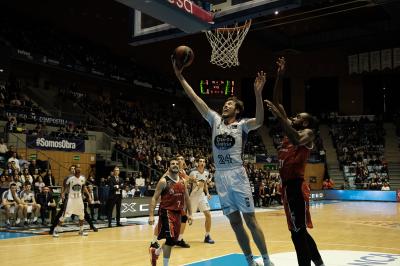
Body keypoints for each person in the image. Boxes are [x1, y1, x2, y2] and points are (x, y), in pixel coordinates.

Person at [173, 58, 273, 266]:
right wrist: (180, 76)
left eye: (230, 104)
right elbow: (196, 99)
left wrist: (257, 93)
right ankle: (249, 261)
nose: (226, 105)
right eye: (225, 103)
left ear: (237, 110)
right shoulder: (215, 120)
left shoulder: (243, 125)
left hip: (237, 175)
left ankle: (266, 260)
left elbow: (261, 121)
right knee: (235, 223)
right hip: (221, 176)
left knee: (250, 221)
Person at [264, 57, 325, 266]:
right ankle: (318, 261)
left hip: (296, 187)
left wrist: (281, 118)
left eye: (298, 116)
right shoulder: (291, 128)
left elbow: (296, 137)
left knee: (297, 232)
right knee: (298, 230)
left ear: (306, 122)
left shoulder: (308, 133)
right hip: (287, 188)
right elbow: (277, 100)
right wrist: (280, 76)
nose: (294, 116)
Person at [148, 158, 192, 266]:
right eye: (172, 163)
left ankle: (155, 252)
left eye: (177, 163)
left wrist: (190, 214)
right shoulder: (164, 181)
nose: (175, 165)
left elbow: (187, 197)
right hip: (166, 212)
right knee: (170, 239)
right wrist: (151, 215)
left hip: (178, 213)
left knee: (172, 241)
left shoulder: (183, 181)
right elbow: (154, 198)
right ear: (169, 167)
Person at [52, 166, 92, 237]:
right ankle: (56, 230)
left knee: (82, 215)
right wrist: (63, 193)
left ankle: (81, 231)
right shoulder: (70, 179)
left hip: (79, 199)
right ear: (75, 172)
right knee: (64, 215)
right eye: (77, 172)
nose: (78, 173)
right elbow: (66, 187)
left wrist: (84, 194)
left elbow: (83, 187)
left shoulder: (83, 178)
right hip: (71, 199)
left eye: (79, 172)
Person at [188, 157, 215, 244]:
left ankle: (207, 236)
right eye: (200, 161)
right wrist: (195, 183)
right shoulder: (193, 172)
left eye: (203, 161)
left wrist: (207, 193)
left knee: (208, 214)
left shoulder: (207, 172)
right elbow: (188, 183)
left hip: (202, 196)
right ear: (198, 163)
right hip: (193, 196)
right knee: (186, 218)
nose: (202, 162)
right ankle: (178, 237)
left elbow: (205, 184)